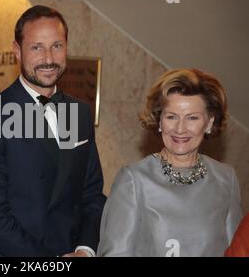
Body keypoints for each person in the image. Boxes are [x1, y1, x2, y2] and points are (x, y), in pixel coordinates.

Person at [0, 5, 106, 257]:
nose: (49, 58)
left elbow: (91, 195)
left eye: (57, 46)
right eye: (37, 47)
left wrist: (85, 249)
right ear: (17, 51)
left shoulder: (78, 114)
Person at [98, 68, 243, 257]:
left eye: (192, 118)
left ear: (208, 123)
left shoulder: (226, 179)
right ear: (159, 122)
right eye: (171, 117)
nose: (180, 129)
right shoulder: (134, 181)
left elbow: (238, 251)